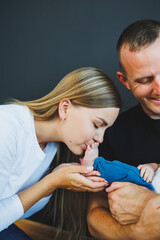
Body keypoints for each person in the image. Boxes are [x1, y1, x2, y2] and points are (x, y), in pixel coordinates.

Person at [0, 67, 121, 239]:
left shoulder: (52, 149)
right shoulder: (7, 128)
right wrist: (51, 182)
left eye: (105, 130)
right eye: (96, 125)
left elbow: (16, 213)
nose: (100, 139)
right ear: (65, 108)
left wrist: (55, 179)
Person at [87, 19, 160, 240]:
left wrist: (148, 203)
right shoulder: (110, 134)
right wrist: (135, 233)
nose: (159, 88)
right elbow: (94, 215)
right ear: (125, 81)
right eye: (145, 80)